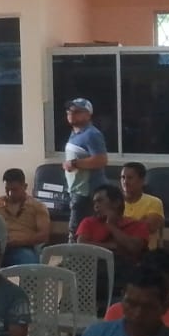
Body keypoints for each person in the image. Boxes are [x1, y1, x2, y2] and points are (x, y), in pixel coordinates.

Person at [76, 184, 150, 306]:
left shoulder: (137, 225)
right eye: (94, 202)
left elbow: (134, 248)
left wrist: (111, 226)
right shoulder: (88, 222)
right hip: (91, 279)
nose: (96, 206)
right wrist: (113, 247)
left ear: (116, 203)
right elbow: (81, 245)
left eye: (100, 201)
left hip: (123, 283)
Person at [62, 98, 110, 237]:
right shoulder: (75, 134)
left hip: (87, 193)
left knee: (77, 233)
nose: (71, 114)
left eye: (77, 111)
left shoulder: (92, 134)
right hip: (77, 190)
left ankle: (74, 251)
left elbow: (101, 160)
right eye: (69, 111)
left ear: (88, 115)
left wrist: (74, 163)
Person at [0, 168, 49, 267]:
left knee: (29, 265)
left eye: (14, 190)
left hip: (23, 248)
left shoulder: (37, 206)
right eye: (7, 189)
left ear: (25, 187)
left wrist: (20, 242)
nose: (10, 193)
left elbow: (44, 235)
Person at [119, 161, 165, 250]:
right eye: (123, 177)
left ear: (142, 180)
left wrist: (120, 224)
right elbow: (107, 228)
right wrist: (138, 222)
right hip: (119, 250)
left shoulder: (154, 202)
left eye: (130, 178)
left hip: (146, 252)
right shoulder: (114, 201)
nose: (125, 181)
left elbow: (149, 228)